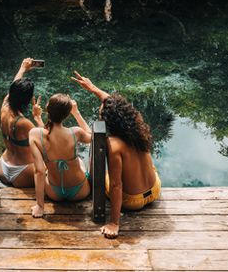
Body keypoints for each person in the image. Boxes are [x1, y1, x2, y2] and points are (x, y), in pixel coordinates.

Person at [71, 71, 161, 239]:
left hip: (132, 202)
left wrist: (114, 223)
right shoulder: (137, 125)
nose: (100, 110)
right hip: (154, 190)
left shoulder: (113, 144)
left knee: (109, 177)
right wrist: (93, 88)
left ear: (109, 122)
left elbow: (116, 186)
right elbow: (116, 105)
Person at [29, 94, 92, 218]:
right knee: (78, 160)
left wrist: (40, 206)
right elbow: (93, 137)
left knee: (48, 165)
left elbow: (39, 171)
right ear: (67, 114)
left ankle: (40, 206)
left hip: (54, 193)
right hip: (80, 191)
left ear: (47, 109)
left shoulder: (34, 134)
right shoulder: (75, 132)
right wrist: (76, 112)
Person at [0, 58, 44, 187]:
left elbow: (13, 87)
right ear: (28, 100)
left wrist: (23, 68)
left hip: (3, 166)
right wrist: (37, 117)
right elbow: (48, 138)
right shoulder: (23, 123)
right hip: (22, 172)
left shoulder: (5, 107)